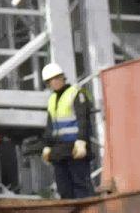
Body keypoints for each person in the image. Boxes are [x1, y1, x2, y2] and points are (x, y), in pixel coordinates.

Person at [42, 64, 99, 199]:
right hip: (59, 151)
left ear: (63, 77)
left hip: (75, 149)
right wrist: (47, 146)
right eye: (51, 80)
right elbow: (50, 126)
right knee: (64, 189)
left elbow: (83, 119)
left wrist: (81, 141)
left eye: (57, 78)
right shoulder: (52, 100)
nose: (55, 82)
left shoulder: (76, 93)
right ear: (48, 83)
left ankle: (87, 210)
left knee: (81, 186)